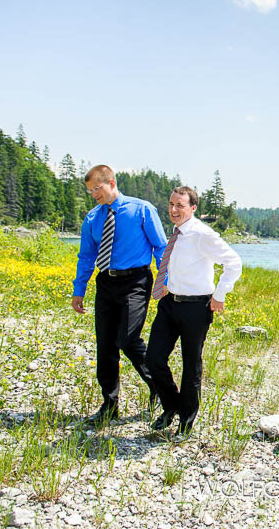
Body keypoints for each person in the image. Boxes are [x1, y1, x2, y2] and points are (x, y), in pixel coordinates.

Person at [72, 165, 167, 425]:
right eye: (90, 190)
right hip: (106, 282)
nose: (93, 194)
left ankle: (157, 384)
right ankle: (109, 403)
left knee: (127, 338)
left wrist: (164, 282)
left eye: (97, 188)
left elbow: (161, 247)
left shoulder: (142, 209)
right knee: (105, 344)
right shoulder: (92, 218)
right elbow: (86, 256)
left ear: (111, 182)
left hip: (136, 280)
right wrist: (78, 289)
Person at [146, 186, 242, 439]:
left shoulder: (202, 234)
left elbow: (234, 262)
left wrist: (220, 294)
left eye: (180, 206)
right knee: (153, 358)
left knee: (191, 366)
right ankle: (171, 406)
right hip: (169, 304)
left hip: (196, 308)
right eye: (171, 204)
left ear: (193, 208)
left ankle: (186, 422)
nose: (174, 210)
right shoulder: (176, 234)